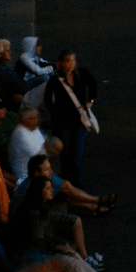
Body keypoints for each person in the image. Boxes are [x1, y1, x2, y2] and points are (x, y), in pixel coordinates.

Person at [41, 50, 98, 188]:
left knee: (77, 155)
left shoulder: (82, 73)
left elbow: (93, 85)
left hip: (79, 122)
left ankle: (77, 184)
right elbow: (48, 101)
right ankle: (67, 183)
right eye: (68, 60)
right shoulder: (55, 79)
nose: (72, 64)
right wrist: (57, 111)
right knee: (66, 155)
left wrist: (90, 101)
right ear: (61, 63)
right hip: (62, 124)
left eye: (73, 60)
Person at [9, 107, 48, 181]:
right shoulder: (20, 133)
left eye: (36, 118)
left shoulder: (33, 127)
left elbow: (45, 144)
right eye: (32, 118)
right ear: (23, 121)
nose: (36, 121)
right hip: (26, 177)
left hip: (39, 169)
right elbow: (41, 156)